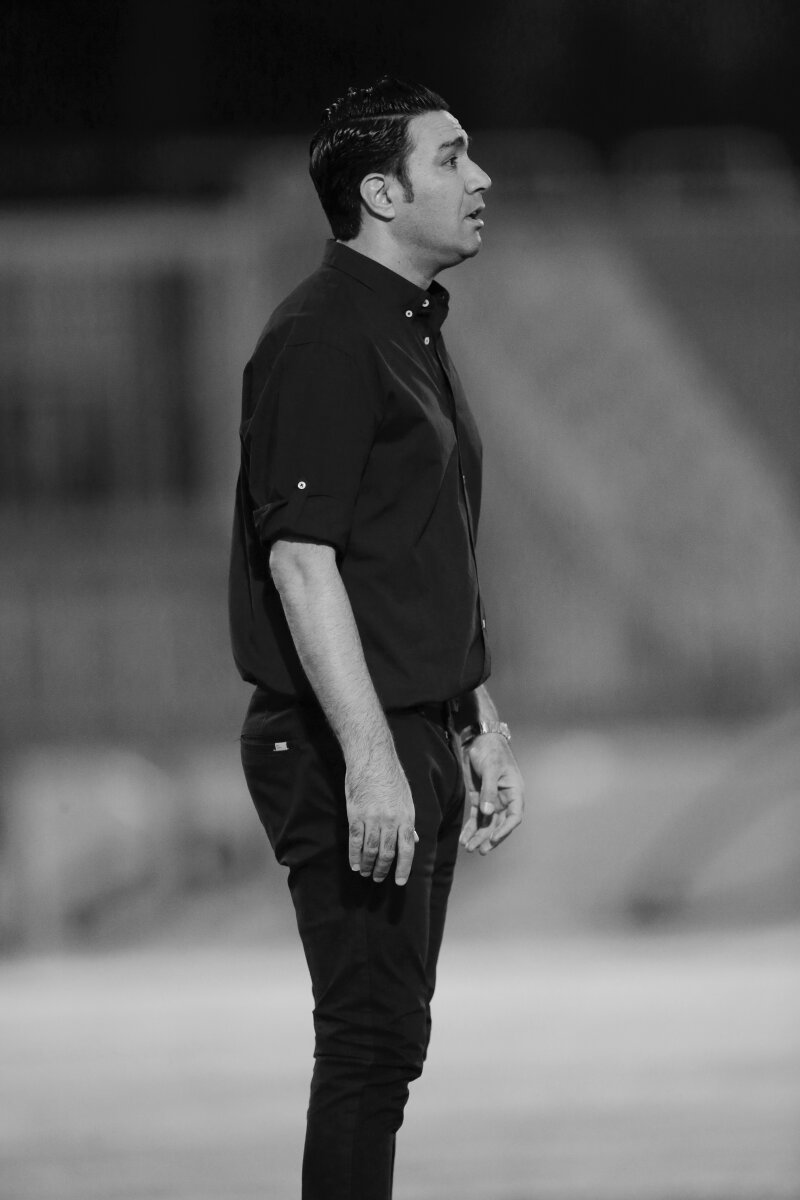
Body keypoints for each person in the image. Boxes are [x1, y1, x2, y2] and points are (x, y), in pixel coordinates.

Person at [228, 76, 525, 1200]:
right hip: (342, 737)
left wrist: (476, 715)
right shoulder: (321, 336)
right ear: (381, 194)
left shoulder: (406, 327)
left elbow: (414, 547)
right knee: (366, 1046)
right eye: (451, 157)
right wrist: (367, 757)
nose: (479, 178)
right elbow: (300, 564)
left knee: (386, 1045)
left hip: (410, 725)